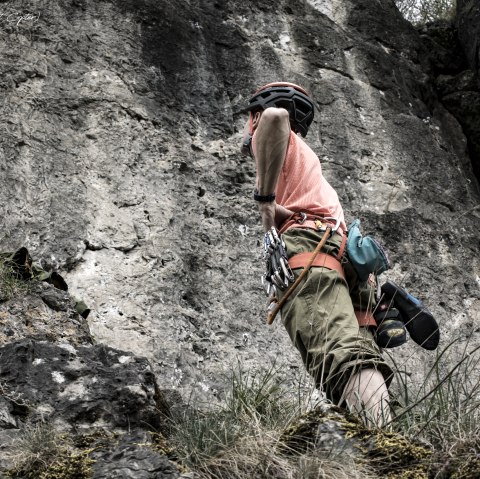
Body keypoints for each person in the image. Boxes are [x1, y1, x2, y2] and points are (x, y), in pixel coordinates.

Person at [240, 82, 394, 427]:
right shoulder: (309, 168)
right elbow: (303, 212)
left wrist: (264, 202)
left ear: (252, 117)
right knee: (359, 353)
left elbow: (275, 117)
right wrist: (276, 211)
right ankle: (378, 433)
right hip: (344, 257)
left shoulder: (282, 138)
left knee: (338, 353)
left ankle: (384, 442)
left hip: (310, 252)